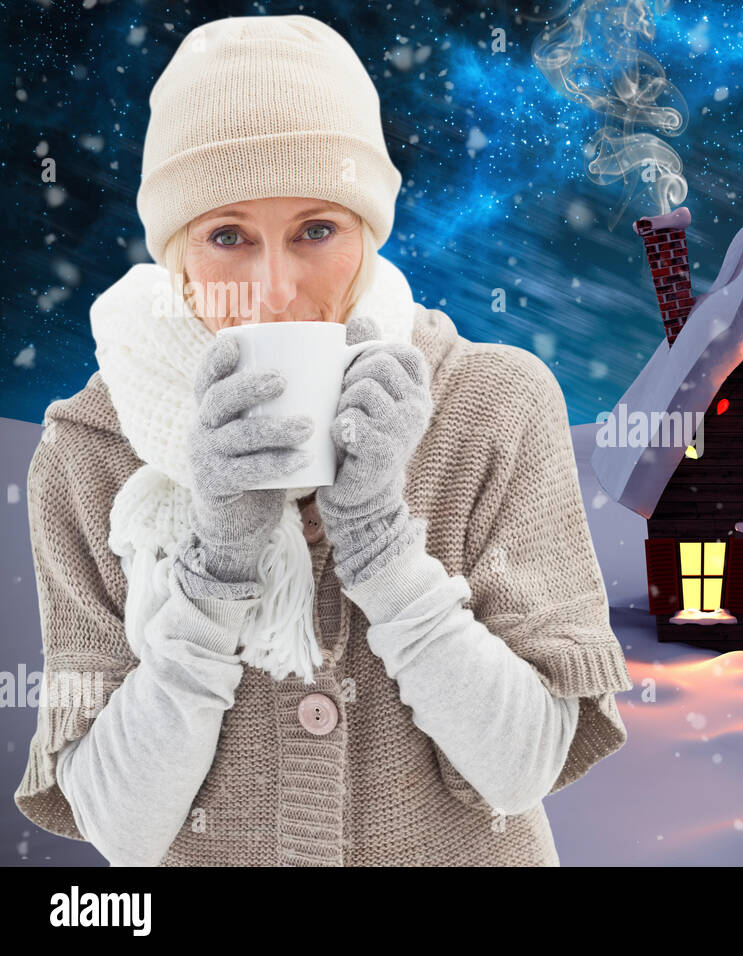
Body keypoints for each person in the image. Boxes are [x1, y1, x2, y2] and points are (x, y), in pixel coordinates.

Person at [13, 13, 633, 866]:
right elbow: (121, 827)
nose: (277, 290)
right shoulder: (88, 455)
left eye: (317, 230)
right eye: (228, 236)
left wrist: (382, 547)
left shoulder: (494, 403)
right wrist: (215, 571)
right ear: (177, 254)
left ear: (369, 233)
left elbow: (523, 767)